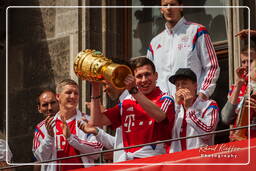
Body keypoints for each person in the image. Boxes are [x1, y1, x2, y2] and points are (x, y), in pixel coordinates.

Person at [89, 57, 175, 161]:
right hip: (128, 162)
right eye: (139, 76)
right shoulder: (127, 102)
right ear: (134, 79)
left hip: (154, 161)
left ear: (156, 76)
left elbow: (160, 116)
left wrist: (134, 90)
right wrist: (95, 87)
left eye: (147, 74)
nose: (144, 80)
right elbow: (96, 121)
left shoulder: (165, 98)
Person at [147, 0, 220, 100]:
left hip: (191, 104)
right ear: (161, 10)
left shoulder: (197, 31)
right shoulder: (154, 42)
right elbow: (149, 76)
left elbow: (212, 66)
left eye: (172, 4)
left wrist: (202, 94)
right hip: (162, 108)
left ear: (181, 7)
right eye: (165, 5)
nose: (169, 8)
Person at [33, 79, 102, 171]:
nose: (73, 96)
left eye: (76, 93)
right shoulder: (42, 127)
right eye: (69, 92)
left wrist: (71, 138)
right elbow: (40, 158)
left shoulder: (88, 121)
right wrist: (49, 137)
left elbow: (97, 152)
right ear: (58, 96)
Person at [79, 58, 130, 163]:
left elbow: (95, 121)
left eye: (106, 83)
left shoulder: (131, 101)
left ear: (119, 77)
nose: (104, 89)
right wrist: (96, 132)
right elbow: (119, 143)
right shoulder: (124, 104)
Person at [169, 68, 219, 152]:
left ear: (195, 85)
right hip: (177, 160)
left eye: (184, 83)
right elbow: (166, 133)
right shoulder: (175, 108)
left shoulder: (209, 105)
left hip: (200, 158)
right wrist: (176, 106)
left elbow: (207, 132)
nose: (180, 88)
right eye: (177, 85)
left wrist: (189, 109)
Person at [221, 46, 256, 141]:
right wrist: (238, 85)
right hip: (239, 142)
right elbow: (226, 118)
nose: (246, 65)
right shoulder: (236, 86)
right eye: (244, 62)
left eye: (250, 61)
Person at [32, 90, 59, 171]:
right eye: (45, 105)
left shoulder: (70, 122)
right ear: (39, 108)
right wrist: (49, 137)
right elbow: (39, 159)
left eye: (53, 103)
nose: (50, 108)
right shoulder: (39, 129)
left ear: (59, 103)